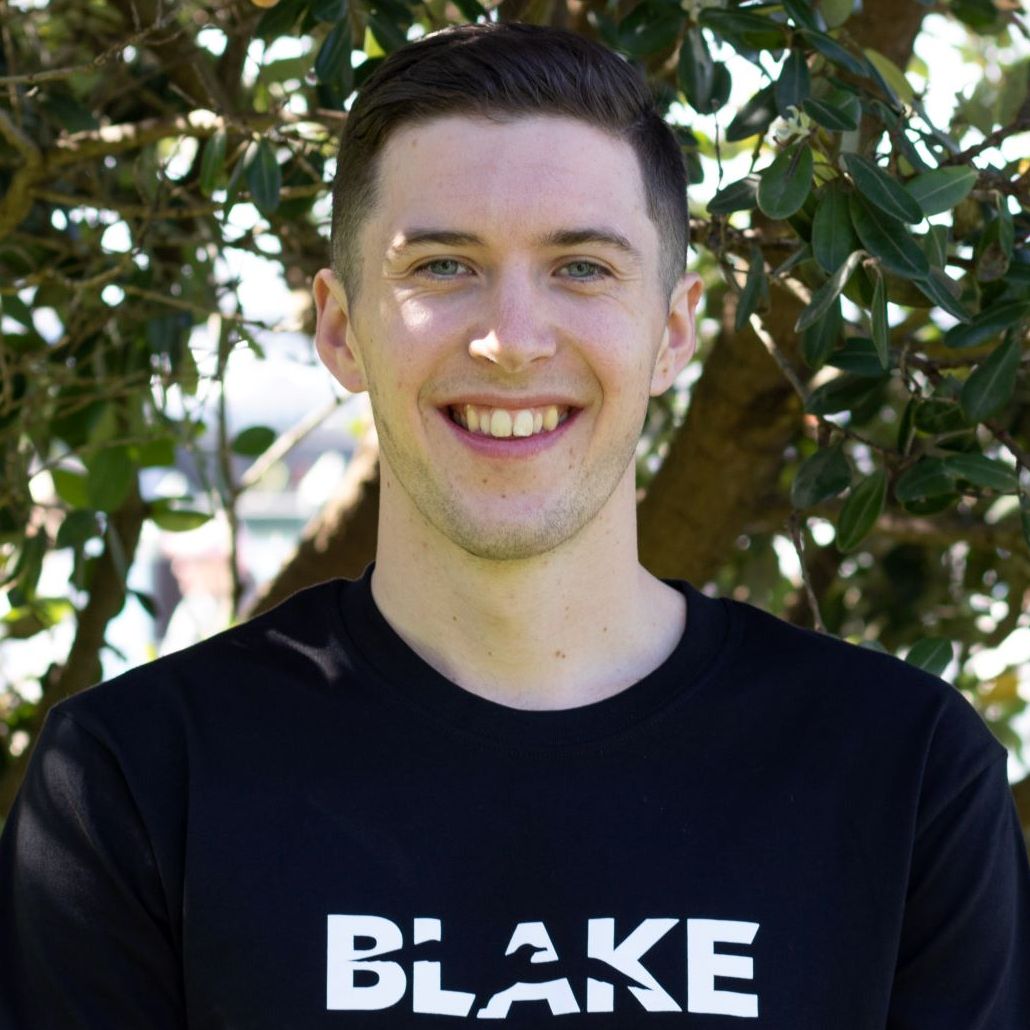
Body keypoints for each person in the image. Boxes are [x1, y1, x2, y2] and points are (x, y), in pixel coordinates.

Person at [1, 21, 1028, 1029]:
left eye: (581, 267)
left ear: (673, 332)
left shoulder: (903, 776)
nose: (511, 340)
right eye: (443, 266)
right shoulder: (136, 782)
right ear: (340, 328)